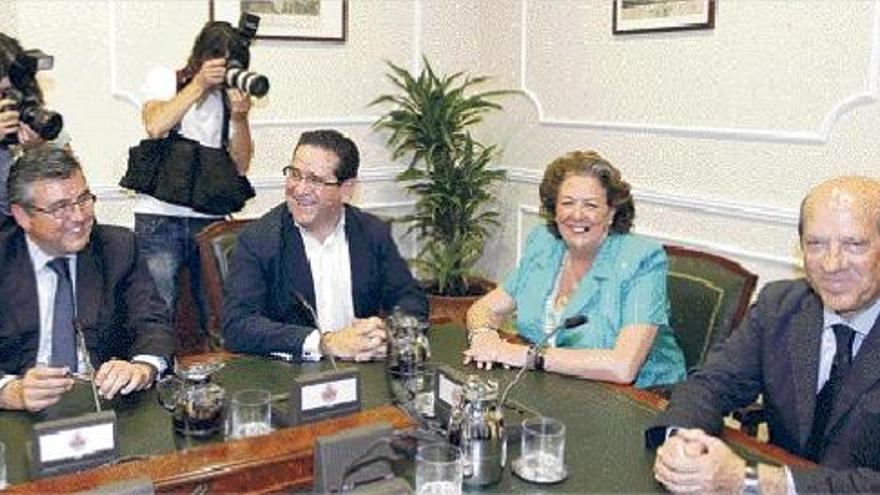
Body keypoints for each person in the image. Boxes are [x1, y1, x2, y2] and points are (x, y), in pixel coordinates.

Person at [649, 176, 880, 494]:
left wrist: (756, 481)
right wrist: (682, 442)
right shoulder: (780, 306)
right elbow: (711, 384)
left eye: (854, 244)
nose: (831, 263)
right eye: (816, 244)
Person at [463, 150, 686, 388]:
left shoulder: (641, 259)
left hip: (638, 398)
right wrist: (483, 336)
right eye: (567, 203)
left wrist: (525, 356)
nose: (577, 215)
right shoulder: (544, 244)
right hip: (556, 386)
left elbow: (623, 367)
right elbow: (485, 308)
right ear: (554, 209)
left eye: (590, 205)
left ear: (611, 212)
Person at [222, 129, 428, 361]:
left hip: (364, 370)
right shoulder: (259, 239)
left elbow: (410, 299)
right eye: (295, 174)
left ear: (347, 189)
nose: (300, 189)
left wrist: (385, 332)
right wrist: (324, 343)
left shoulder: (372, 232)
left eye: (315, 180)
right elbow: (237, 325)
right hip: (292, 378)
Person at [0, 145, 175, 412]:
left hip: (105, 404)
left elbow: (151, 322)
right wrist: (9, 392)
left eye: (84, 199)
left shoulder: (118, 247)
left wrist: (142, 367)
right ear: (23, 216)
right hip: (18, 417)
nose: (79, 217)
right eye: (60, 208)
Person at [136, 21, 253, 333]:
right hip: (160, 218)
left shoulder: (228, 101)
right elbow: (156, 125)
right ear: (203, 55)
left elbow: (240, 165)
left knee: (220, 311)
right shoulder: (166, 79)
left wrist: (241, 118)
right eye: (220, 61)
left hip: (211, 218)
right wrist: (198, 84)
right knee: (158, 311)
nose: (224, 70)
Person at [0, 33, 45, 226]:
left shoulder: (24, 111)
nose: (5, 100)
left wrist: (36, 149)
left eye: (8, 91)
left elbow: (64, 190)